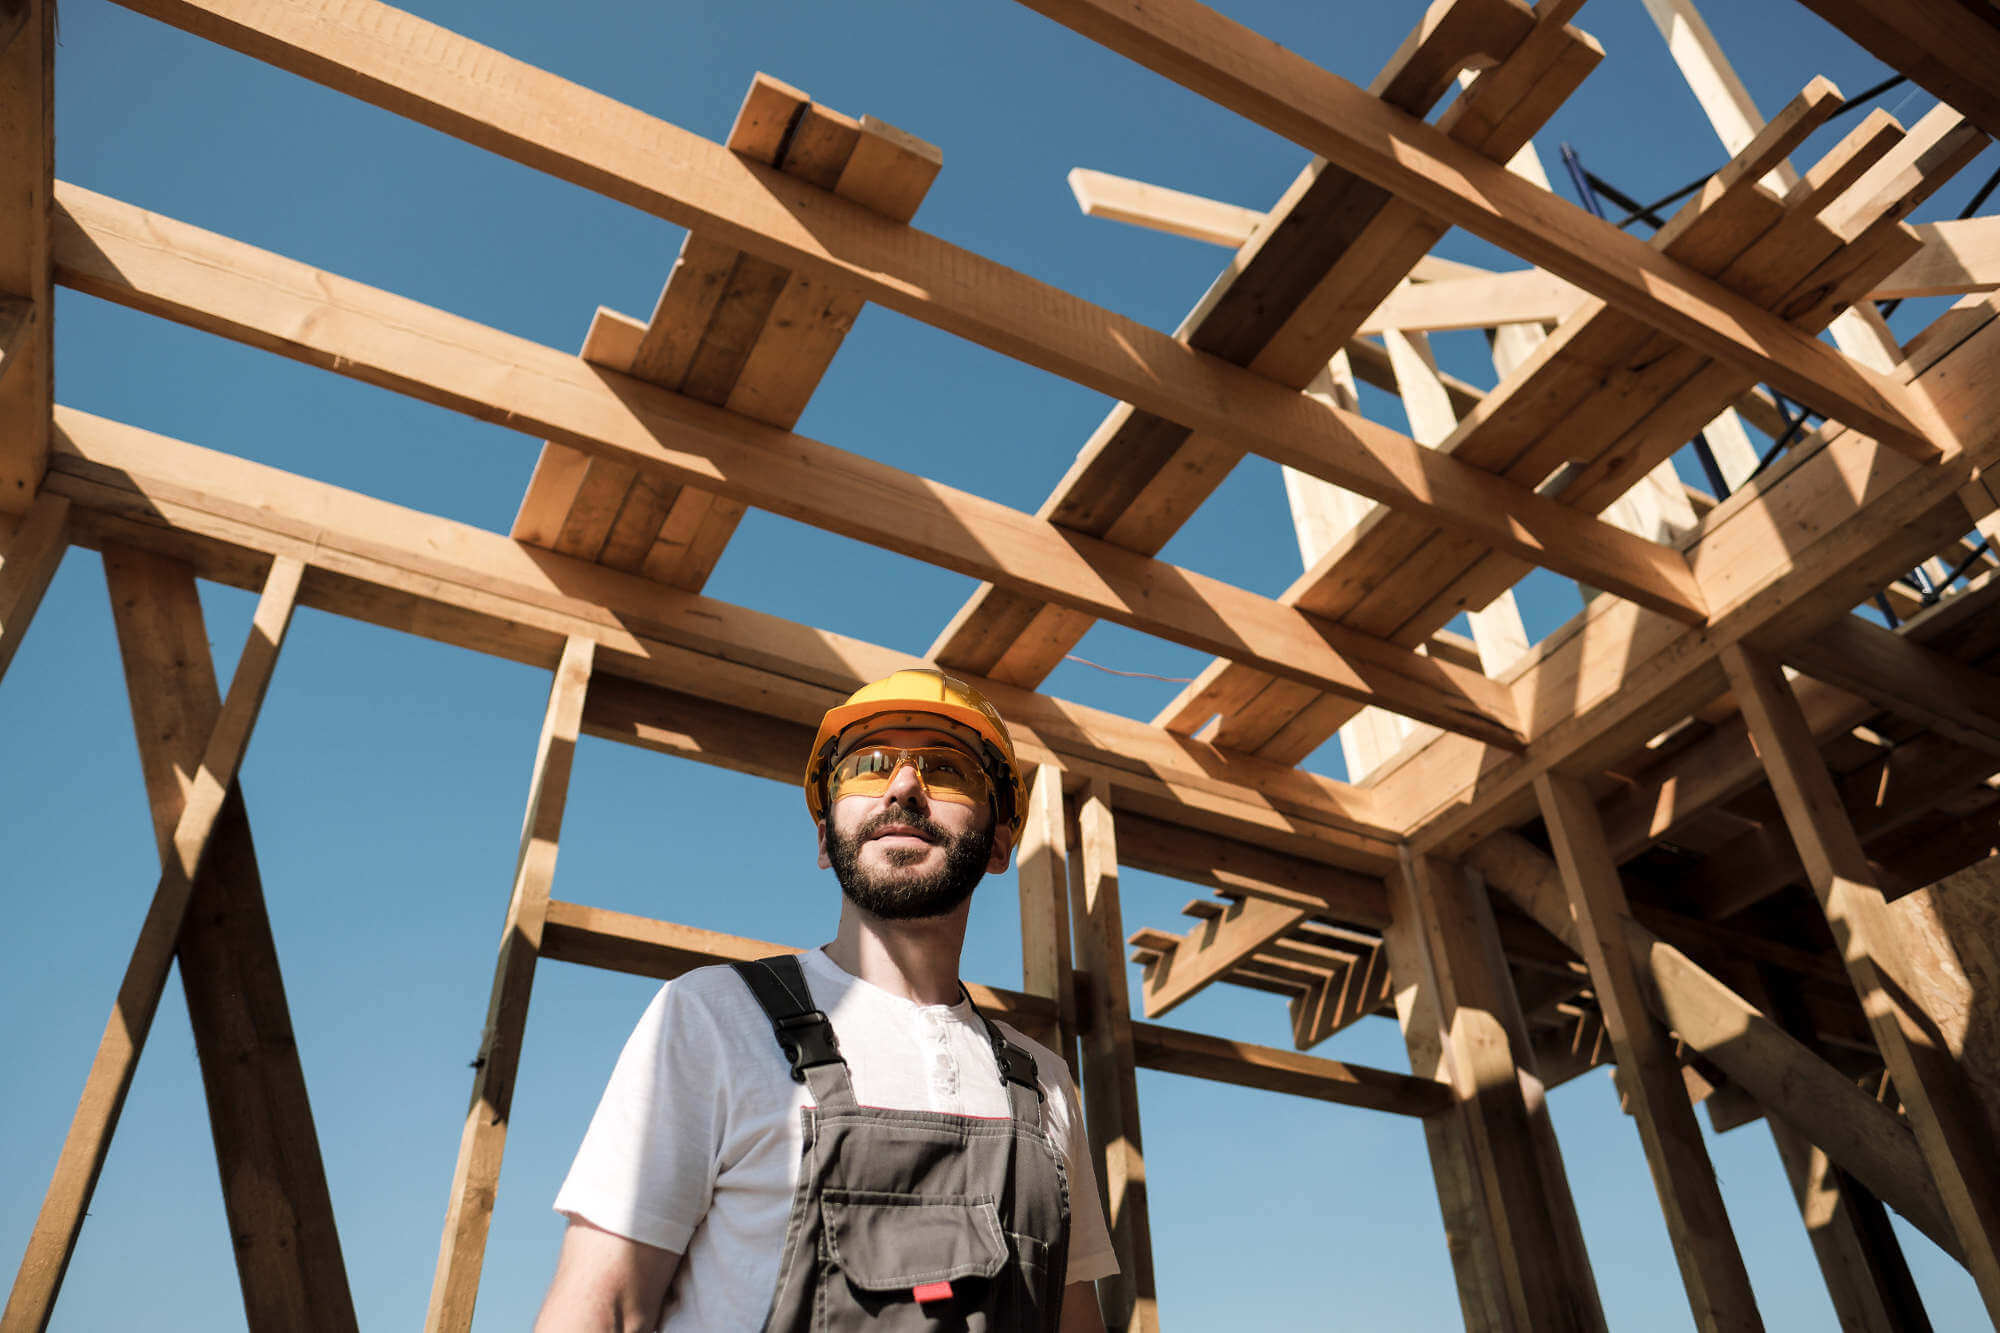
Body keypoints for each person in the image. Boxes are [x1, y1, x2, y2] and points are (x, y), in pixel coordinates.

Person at [535, 669, 1118, 1332]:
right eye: (868, 766)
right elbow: (600, 1308)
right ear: (823, 839)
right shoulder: (711, 1019)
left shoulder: (1044, 1085)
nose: (903, 785)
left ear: (1000, 843)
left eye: (946, 767)